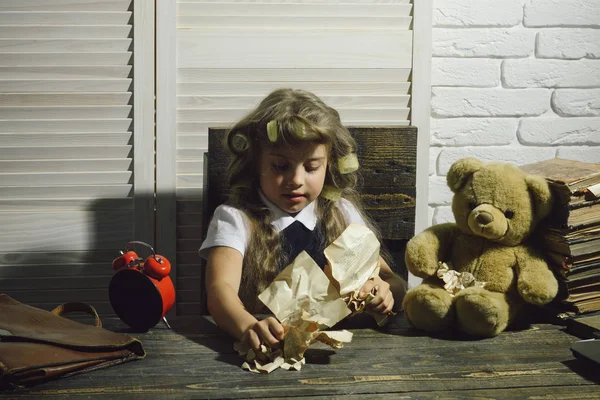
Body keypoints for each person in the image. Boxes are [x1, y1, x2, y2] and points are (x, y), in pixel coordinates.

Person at [199, 88, 407, 353]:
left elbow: (394, 282)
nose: (296, 180)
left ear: (328, 164)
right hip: (271, 351)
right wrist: (249, 326)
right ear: (256, 162)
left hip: (346, 357)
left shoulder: (341, 213)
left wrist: (384, 290)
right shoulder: (236, 219)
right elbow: (220, 291)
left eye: (311, 167)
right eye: (280, 166)